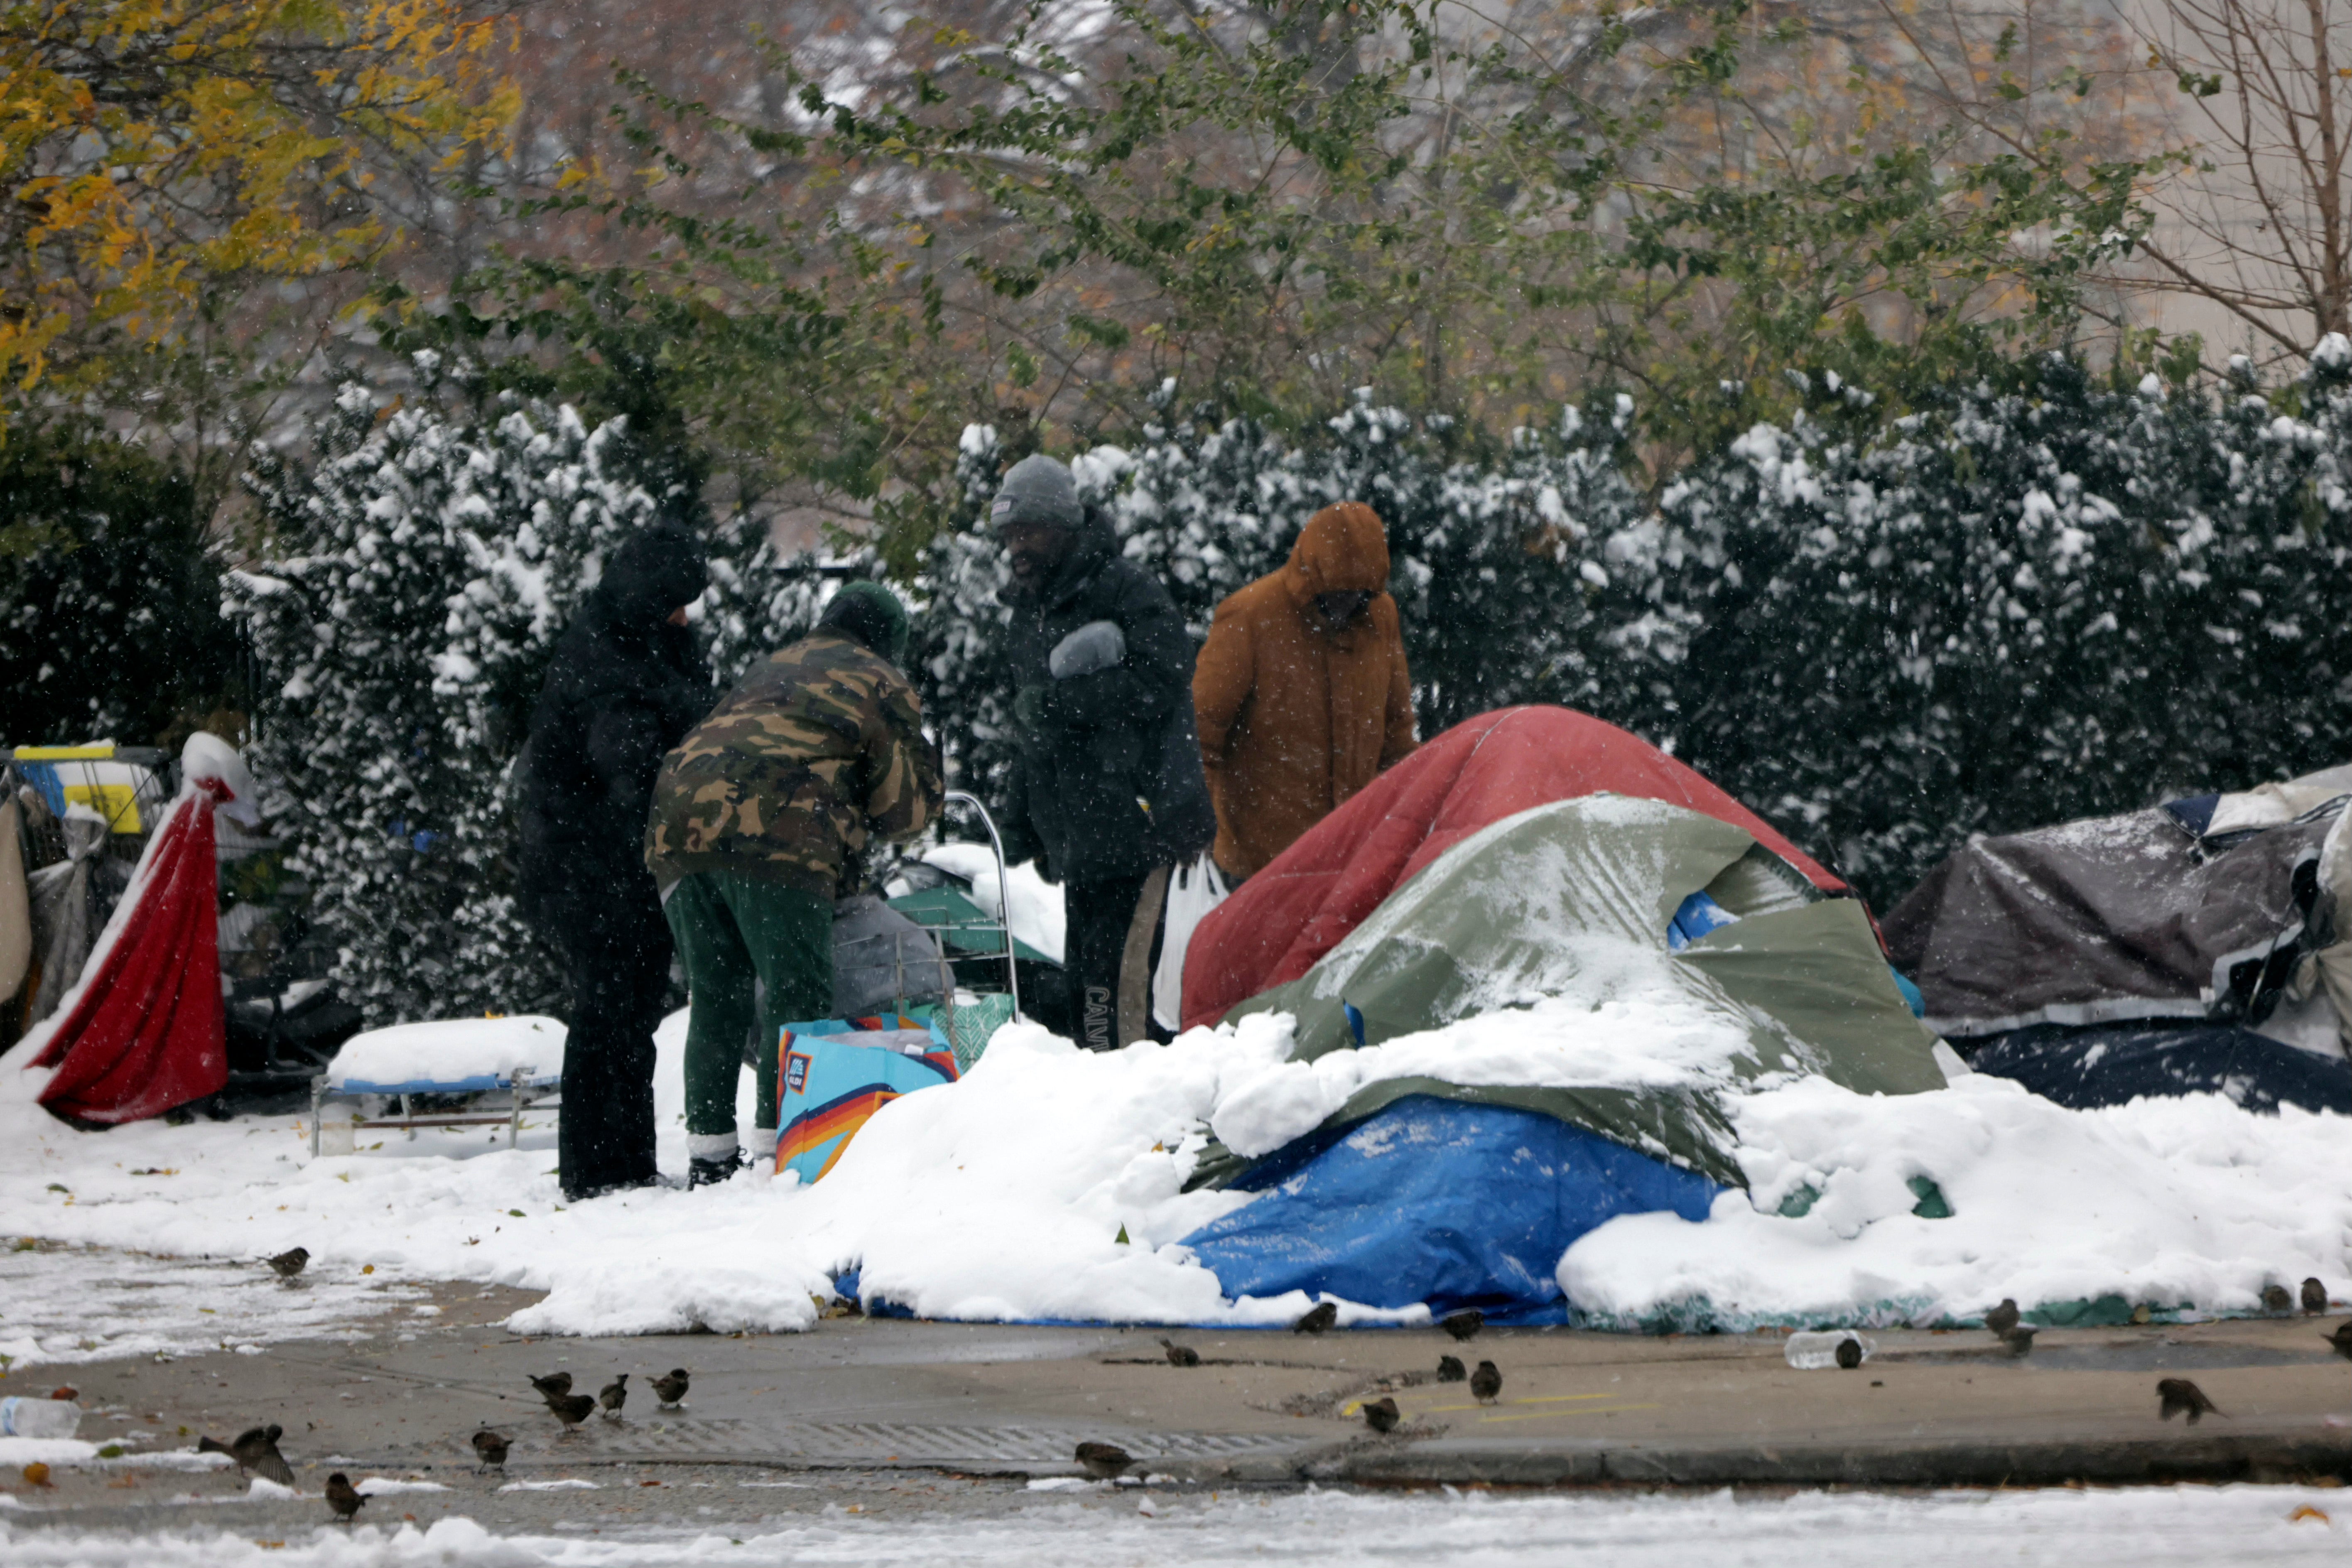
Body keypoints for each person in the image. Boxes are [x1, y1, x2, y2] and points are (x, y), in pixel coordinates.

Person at [644, 581, 942, 1186]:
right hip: (777, 833)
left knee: (718, 997)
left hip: (677, 829)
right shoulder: (878, 678)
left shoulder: (770, 666)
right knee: (795, 990)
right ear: (888, 641)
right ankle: (775, 1152)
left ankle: (709, 1157)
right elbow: (905, 812)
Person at [991, 454, 1215, 1051]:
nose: (1017, 546)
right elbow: (1032, 731)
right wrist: (1021, 822)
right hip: (1079, 834)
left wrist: (1064, 703)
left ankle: (1138, 1108)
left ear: (1063, 526)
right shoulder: (1028, 614)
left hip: (1141, 824)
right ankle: (1100, 1090)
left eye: (1029, 530)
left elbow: (1164, 674)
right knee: (1089, 987)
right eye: (1009, 534)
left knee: (1124, 988)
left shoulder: (1123, 588)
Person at [516, 523, 712, 1203]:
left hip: (611, 864)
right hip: (594, 868)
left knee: (627, 1014)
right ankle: (601, 1171)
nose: (686, 616)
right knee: (611, 1013)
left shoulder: (624, 650)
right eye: (678, 602)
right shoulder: (612, 666)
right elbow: (627, 767)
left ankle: (621, 1165)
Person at [1192, 501, 1417, 881]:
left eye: (1359, 594)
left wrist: (1407, 820)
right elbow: (1199, 732)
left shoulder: (1380, 616)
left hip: (1351, 860)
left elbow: (1396, 732)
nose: (1347, 604)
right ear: (1311, 575)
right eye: (1336, 592)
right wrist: (1195, 825)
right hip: (1260, 868)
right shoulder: (1249, 616)